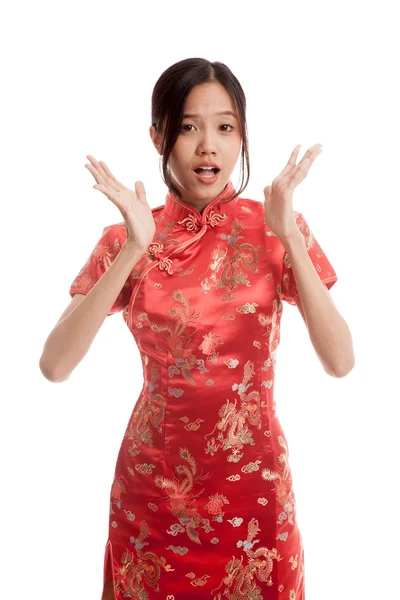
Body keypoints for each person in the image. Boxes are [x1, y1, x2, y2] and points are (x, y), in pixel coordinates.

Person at [39, 57, 355, 600]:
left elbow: (341, 361)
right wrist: (135, 247)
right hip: (154, 493)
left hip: (255, 491)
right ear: (158, 135)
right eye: (189, 126)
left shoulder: (277, 227)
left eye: (226, 127)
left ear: (242, 136)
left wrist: (292, 238)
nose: (209, 145)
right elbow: (54, 365)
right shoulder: (129, 235)